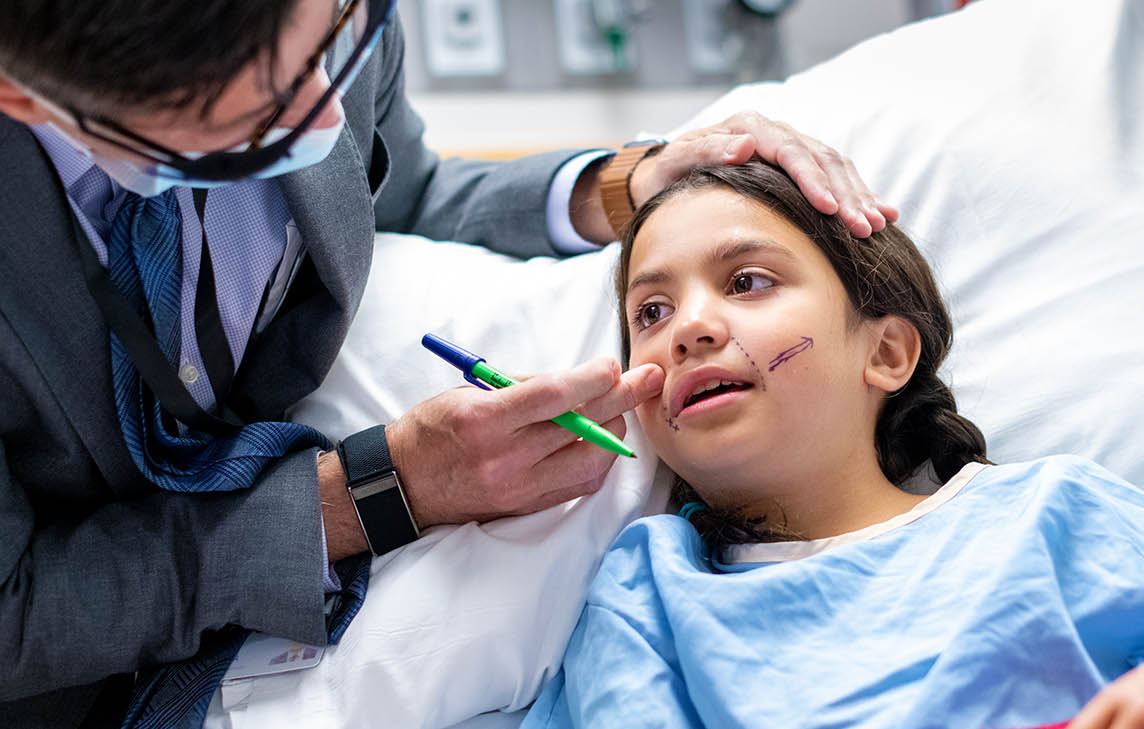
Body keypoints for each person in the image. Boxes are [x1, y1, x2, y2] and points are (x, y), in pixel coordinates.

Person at [0, 0, 901, 725]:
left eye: (745, 279)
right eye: (254, 122)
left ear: (892, 347)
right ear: (29, 99)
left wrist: (621, 187)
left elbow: (397, 187)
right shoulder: (632, 605)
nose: (325, 116)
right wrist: (376, 495)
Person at [519, 161, 1144, 729]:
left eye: (747, 281)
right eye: (650, 312)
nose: (688, 327)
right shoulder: (649, 592)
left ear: (886, 353)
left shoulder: (1050, 515)